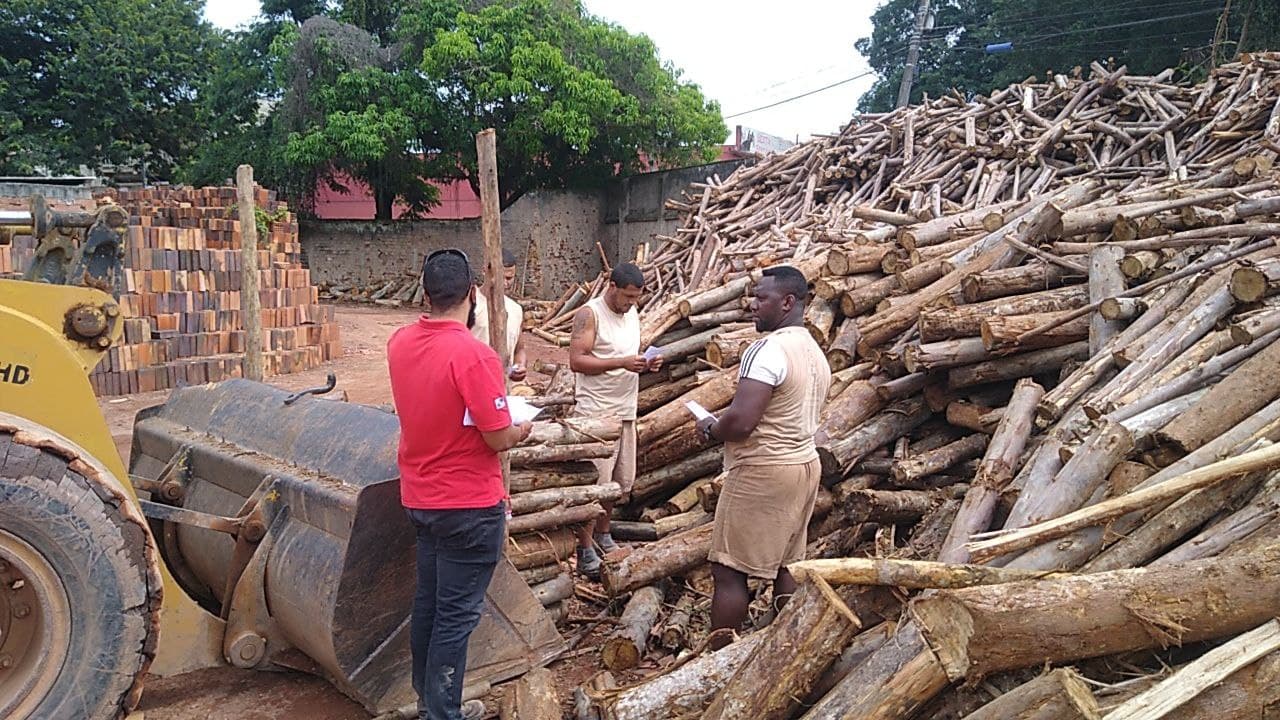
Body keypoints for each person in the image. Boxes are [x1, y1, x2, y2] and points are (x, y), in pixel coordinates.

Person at [387, 248, 533, 720]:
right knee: (456, 617)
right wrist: (519, 429)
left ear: (425, 294)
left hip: (421, 497)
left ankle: (429, 700)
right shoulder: (475, 356)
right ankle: (442, 712)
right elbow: (496, 437)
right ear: (473, 295)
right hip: (468, 505)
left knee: (429, 606)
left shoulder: (399, 344)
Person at [694, 265, 831, 646]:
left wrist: (710, 428)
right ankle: (785, 648)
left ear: (787, 302)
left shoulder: (767, 349)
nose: (753, 305)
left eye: (761, 298)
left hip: (764, 469)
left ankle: (717, 658)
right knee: (788, 564)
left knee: (729, 571)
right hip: (804, 464)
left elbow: (740, 423)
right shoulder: (814, 351)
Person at [568, 263, 662, 578]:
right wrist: (621, 362)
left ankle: (603, 535)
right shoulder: (589, 314)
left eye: (636, 298)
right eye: (627, 296)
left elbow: (627, 353)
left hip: (624, 409)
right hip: (596, 412)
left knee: (615, 484)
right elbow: (577, 360)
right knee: (594, 484)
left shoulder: (631, 313)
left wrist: (646, 363)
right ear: (612, 287)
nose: (631, 302)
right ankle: (583, 549)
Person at [472, 248, 528, 381]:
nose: (505, 283)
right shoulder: (469, 303)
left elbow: (519, 350)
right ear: (485, 270)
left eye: (509, 278)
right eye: (500, 277)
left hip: (502, 388)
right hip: (472, 383)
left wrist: (520, 365)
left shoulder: (516, 310)